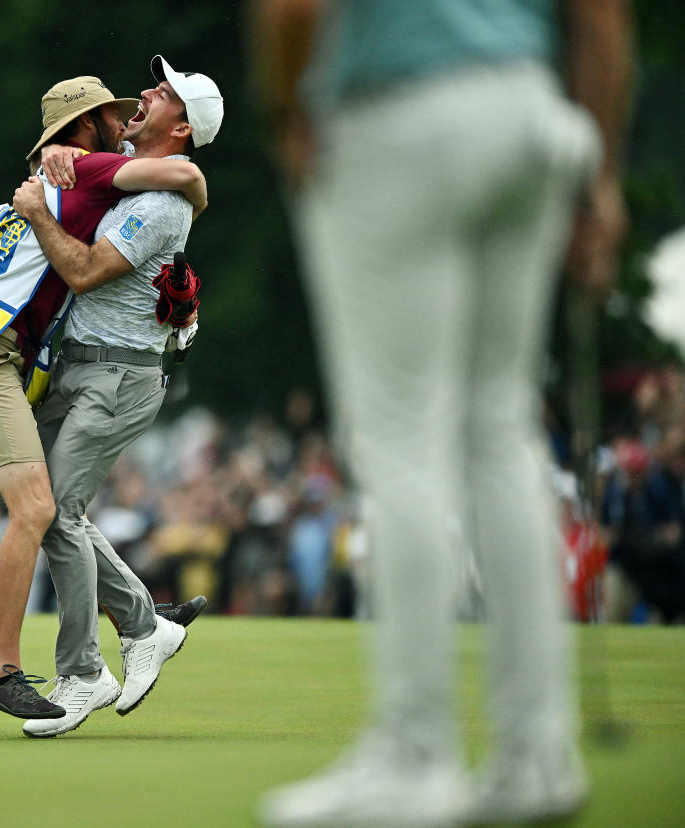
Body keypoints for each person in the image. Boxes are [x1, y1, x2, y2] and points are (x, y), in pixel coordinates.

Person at [249, 0, 631, 825]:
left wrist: (289, 113)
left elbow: (292, 9)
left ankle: (415, 756)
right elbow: (602, 19)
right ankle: (537, 756)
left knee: (400, 438)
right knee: (501, 430)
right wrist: (599, 174)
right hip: (531, 109)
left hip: (392, 114)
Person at [0, 75, 210, 720]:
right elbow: (187, 179)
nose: (125, 112)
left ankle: (132, 629)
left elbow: (181, 182)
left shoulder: (64, 172)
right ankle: (13, 672)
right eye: (110, 112)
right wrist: (74, 166)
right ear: (86, 128)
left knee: (49, 512)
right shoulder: (90, 171)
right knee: (40, 512)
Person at [9, 55, 224, 738]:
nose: (147, 93)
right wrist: (56, 156)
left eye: (164, 95)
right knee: (43, 509)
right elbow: (74, 158)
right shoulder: (131, 176)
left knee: (57, 514)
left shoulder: (162, 205)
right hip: (76, 368)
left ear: (182, 126)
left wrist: (40, 210)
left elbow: (85, 270)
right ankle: (144, 625)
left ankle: (82, 673)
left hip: (121, 376)